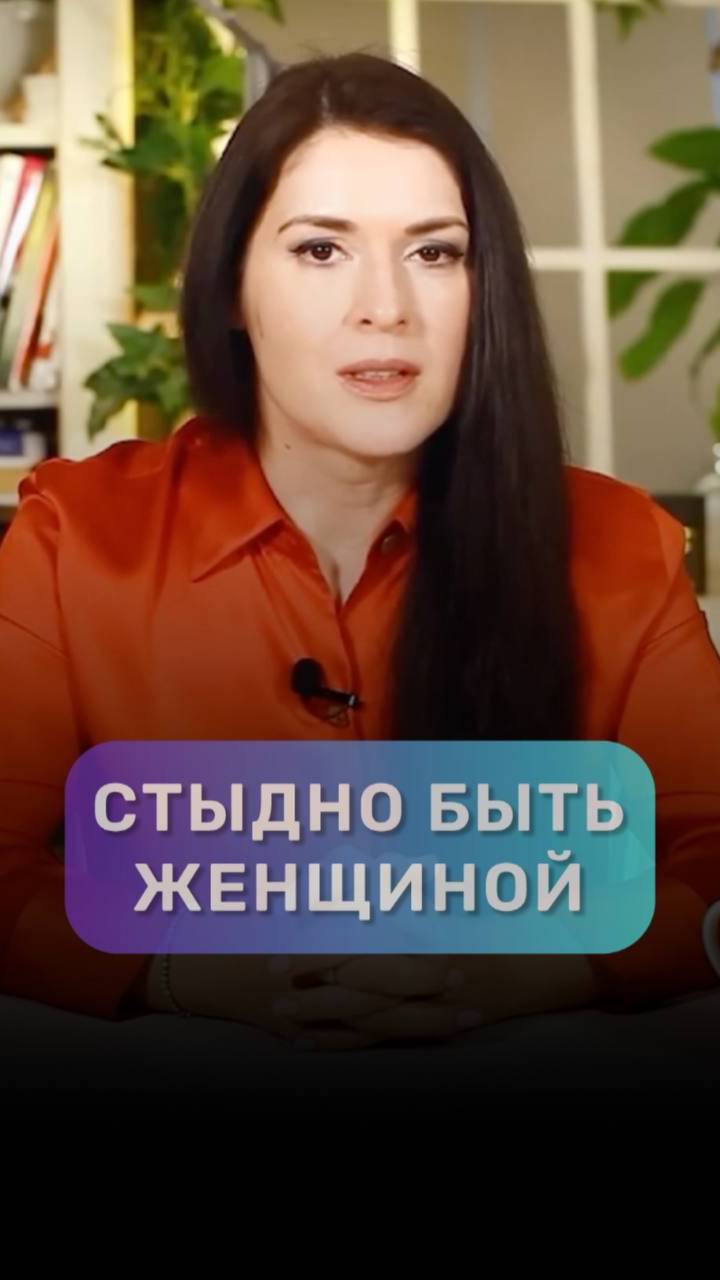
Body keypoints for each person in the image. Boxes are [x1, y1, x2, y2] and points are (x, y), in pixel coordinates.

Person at [0, 52, 719, 1055]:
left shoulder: (618, 546)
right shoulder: (74, 537)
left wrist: (557, 960)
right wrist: (171, 968)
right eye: (320, 249)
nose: (386, 305)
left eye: (435, 253)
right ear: (232, 290)